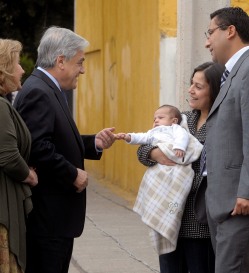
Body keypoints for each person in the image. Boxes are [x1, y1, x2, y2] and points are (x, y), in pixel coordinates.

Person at [14, 26, 115, 273]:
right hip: (48, 219)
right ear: (61, 61)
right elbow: (38, 146)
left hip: (55, 219)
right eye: (79, 62)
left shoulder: (48, 88)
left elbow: (55, 137)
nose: (82, 69)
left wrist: (94, 143)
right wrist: (72, 174)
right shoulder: (39, 91)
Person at [137, 62, 224, 273]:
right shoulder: (182, 119)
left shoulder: (223, 122)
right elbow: (143, 148)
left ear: (215, 89)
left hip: (198, 220)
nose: (190, 90)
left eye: (198, 86)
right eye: (191, 84)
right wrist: (153, 153)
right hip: (168, 218)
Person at [115, 104, 203, 255]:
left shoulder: (176, 128)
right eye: (155, 118)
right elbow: (143, 141)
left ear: (173, 120)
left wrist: (179, 148)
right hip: (161, 173)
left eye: (160, 118)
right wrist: (129, 137)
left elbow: (183, 138)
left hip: (195, 205)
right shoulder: (166, 126)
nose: (156, 120)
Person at [204, 7, 249, 273]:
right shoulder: (233, 72)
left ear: (230, 31)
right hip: (224, 203)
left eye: (210, 33)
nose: (207, 41)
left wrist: (245, 191)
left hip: (238, 203)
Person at [0, 39, 38, 273]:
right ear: (3, 68)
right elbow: (8, 156)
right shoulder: (0, 106)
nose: (23, 69)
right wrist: (29, 176)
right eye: (16, 63)